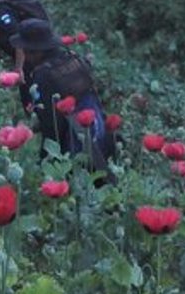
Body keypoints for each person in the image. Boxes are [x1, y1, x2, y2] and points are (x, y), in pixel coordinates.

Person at [10, 19, 116, 181]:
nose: (25, 54)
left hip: (78, 152)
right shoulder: (73, 58)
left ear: (36, 50)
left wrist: (46, 162)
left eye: (26, 49)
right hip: (100, 137)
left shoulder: (43, 74)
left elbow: (51, 125)